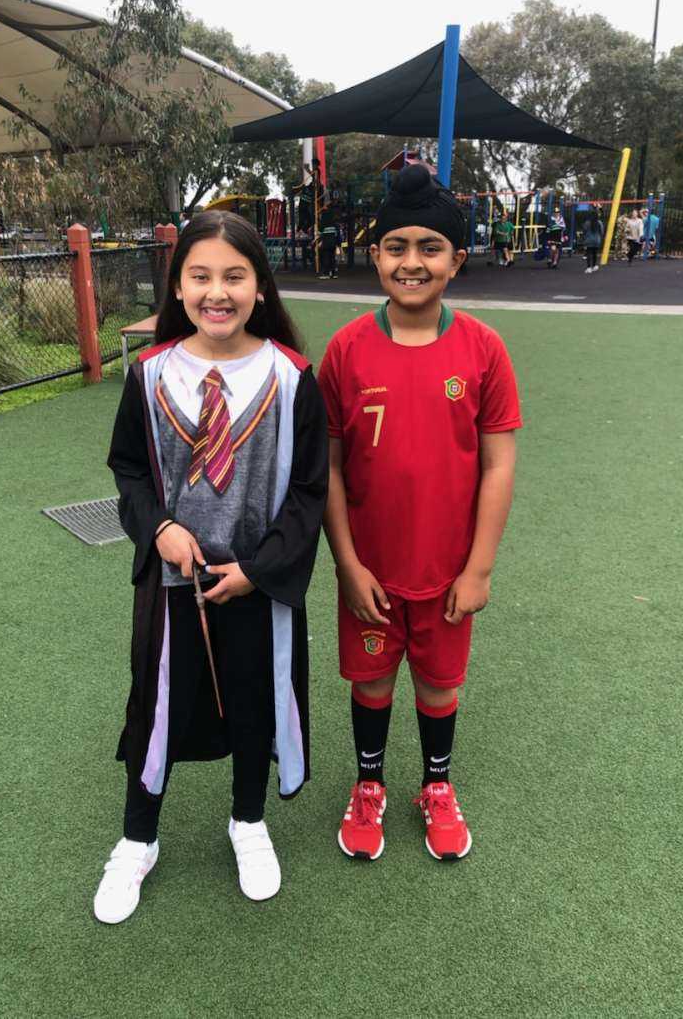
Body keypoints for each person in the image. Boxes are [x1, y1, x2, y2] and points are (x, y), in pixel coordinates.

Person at [95, 211, 328, 922]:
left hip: (256, 581)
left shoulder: (291, 378)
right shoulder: (150, 374)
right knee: (156, 707)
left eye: (234, 276)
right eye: (200, 276)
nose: (216, 292)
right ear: (178, 286)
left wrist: (259, 569)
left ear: (260, 287)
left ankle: (248, 821)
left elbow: (309, 491)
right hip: (174, 584)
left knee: (254, 701)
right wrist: (159, 528)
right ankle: (137, 838)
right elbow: (129, 469)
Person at [318, 165, 522, 863]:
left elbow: (497, 466)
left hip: (447, 572)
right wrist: (347, 565)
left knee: (439, 684)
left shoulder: (483, 349)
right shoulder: (346, 349)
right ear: (375, 256)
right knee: (371, 680)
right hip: (370, 573)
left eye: (429, 248)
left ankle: (436, 786)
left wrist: (479, 569)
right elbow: (329, 468)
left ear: (456, 260)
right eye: (396, 246)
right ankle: (368, 785)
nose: (412, 262)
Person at [318, 201, 341, 279]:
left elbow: (320, 231)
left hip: (326, 242)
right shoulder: (335, 224)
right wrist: (338, 244)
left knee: (325, 257)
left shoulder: (323, 223)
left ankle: (326, 273)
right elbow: (338, 235)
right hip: (333, 243)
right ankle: (333, 273)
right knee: (332, 257)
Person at [582, 208, 604, 273]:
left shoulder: (587, 223)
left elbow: (584, 231)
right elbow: (602, 232)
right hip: (597, 240)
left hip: (589, 239)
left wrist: (584, 238)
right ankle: (594, 266)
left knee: (589, 253)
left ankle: (589, 268)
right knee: (595, 253)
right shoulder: (599, 222)